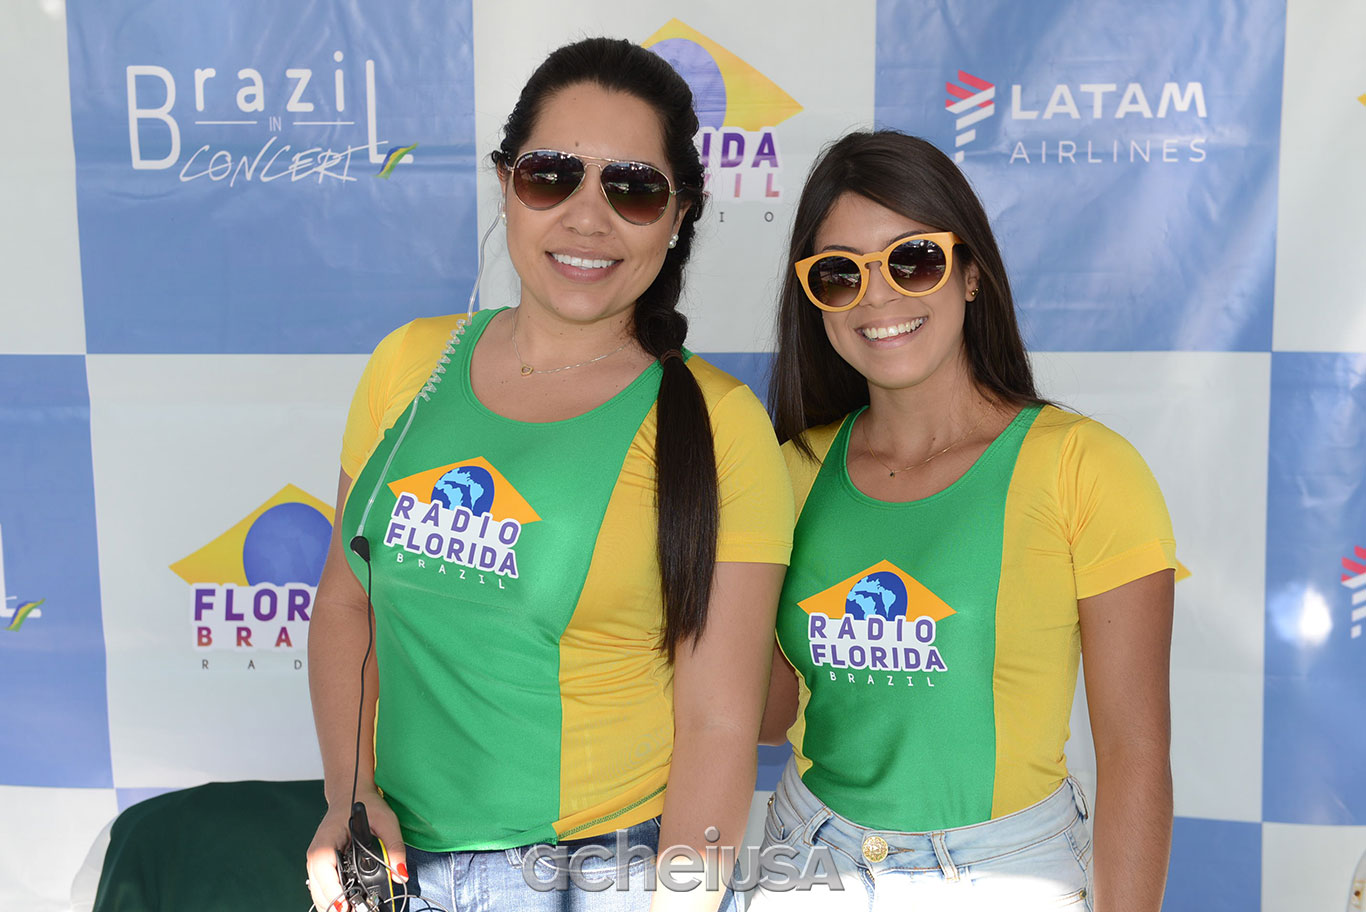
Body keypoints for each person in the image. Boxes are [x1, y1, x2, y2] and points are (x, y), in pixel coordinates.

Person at [305, 37, 793, 912]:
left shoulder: (719, 425)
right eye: (551, 176)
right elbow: (347, 603)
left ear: (678, 214)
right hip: (400, 868)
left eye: (633, 188)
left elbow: (720, 725)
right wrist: (351, 795)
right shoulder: (408, 367)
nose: (587, 217)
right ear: (505, 184)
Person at [742, 131, 1176, 911]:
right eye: (840, 273)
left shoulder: (1085, 467)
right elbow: (766, 718)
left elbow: (1135, 753)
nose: (877, 297)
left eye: (913, 260)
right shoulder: (787, 472)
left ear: (971, 273)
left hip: (1007, 874)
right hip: (807, 863)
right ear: (815, 299)